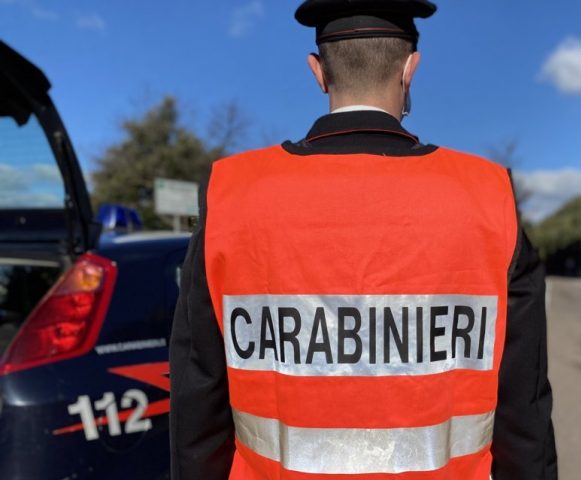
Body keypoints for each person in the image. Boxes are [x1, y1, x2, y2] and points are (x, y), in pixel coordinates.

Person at [169, 1, 557, 479]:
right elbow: (525, 411)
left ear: (317, 71)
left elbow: (196, 400)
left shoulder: (232, 194)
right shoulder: (488, 195)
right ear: (410, 67)